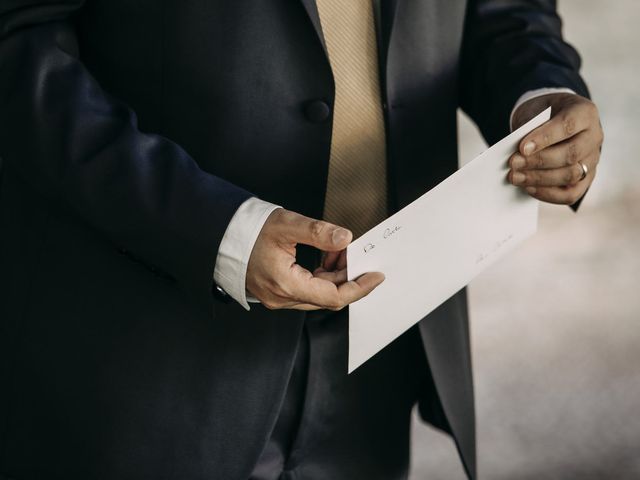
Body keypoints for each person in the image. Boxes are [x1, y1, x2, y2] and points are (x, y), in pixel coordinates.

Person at [0, 0, 603, 479]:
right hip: (141, 354)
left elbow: (507, 13)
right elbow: (18, 41)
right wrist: (214, 229)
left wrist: (540, 91)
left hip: (378, 337)